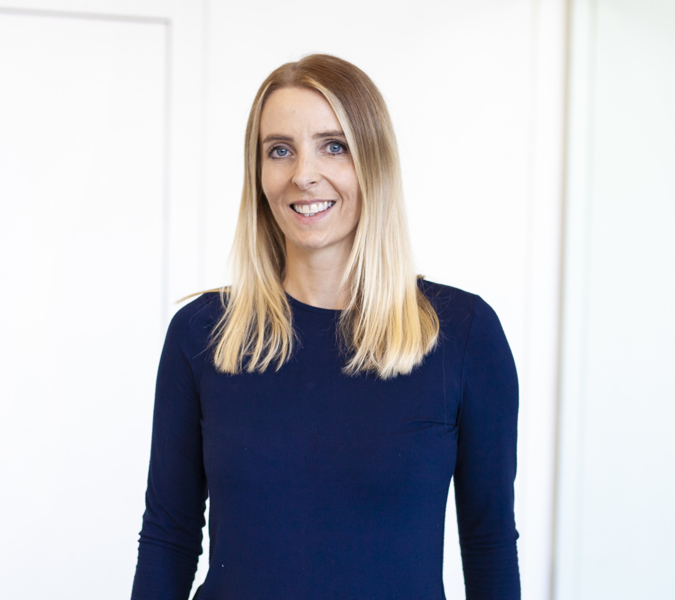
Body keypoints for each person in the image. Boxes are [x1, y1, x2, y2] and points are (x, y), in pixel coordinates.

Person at [131, 54, 520, 600]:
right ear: (259, 172)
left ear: (374, 162)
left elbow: (489, 541)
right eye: (280, 150)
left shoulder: (460, 333)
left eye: (333, 146)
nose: (302, 174)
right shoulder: (202, 334)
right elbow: (169, 539)